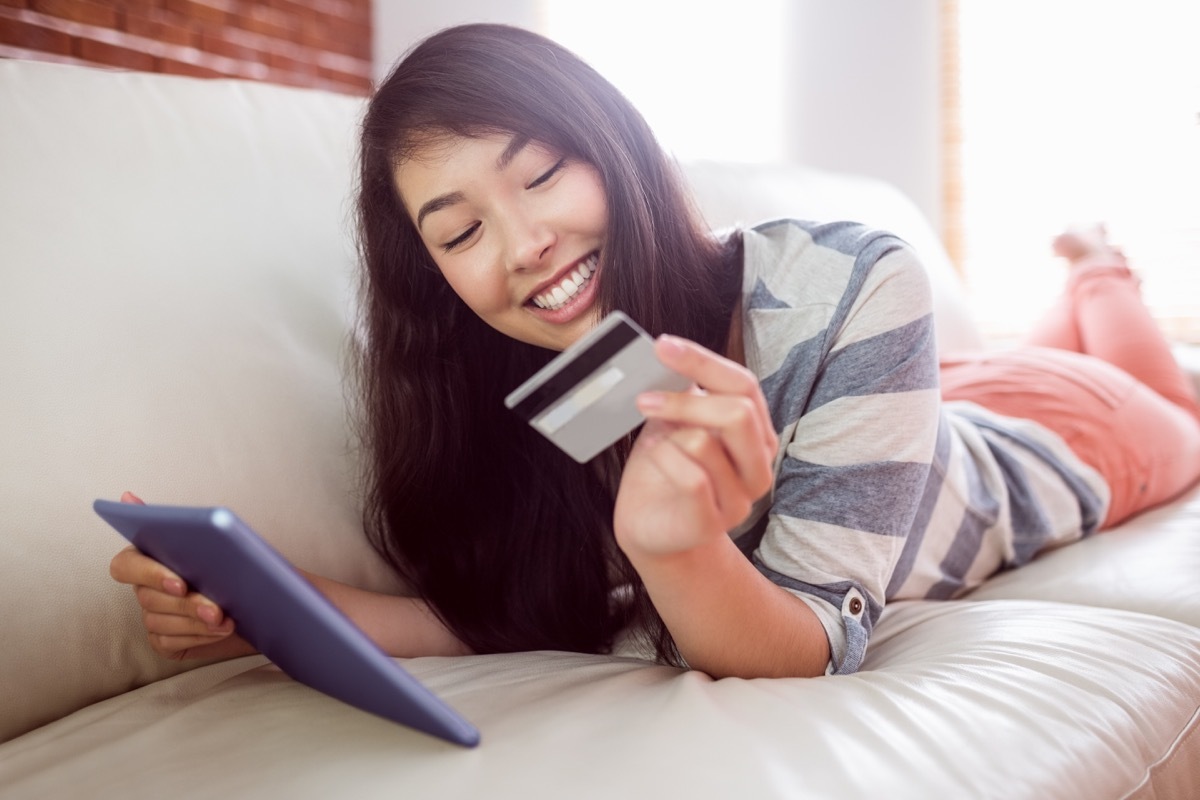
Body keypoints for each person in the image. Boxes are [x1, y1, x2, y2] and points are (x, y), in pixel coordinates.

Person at [109, 24, 1200, 680]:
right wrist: (277, 602)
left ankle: (1098, 266)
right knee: (994, 371)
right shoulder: (525, 383)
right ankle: (1079, 291)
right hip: (909, 406)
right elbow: (510, 610)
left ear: (615, 148)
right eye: (460, 232)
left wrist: (680, 552)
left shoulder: (861, 276)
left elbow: (815, 636)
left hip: (1059, 436)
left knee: (1156, 386)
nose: (524, 246)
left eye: (540, 175)